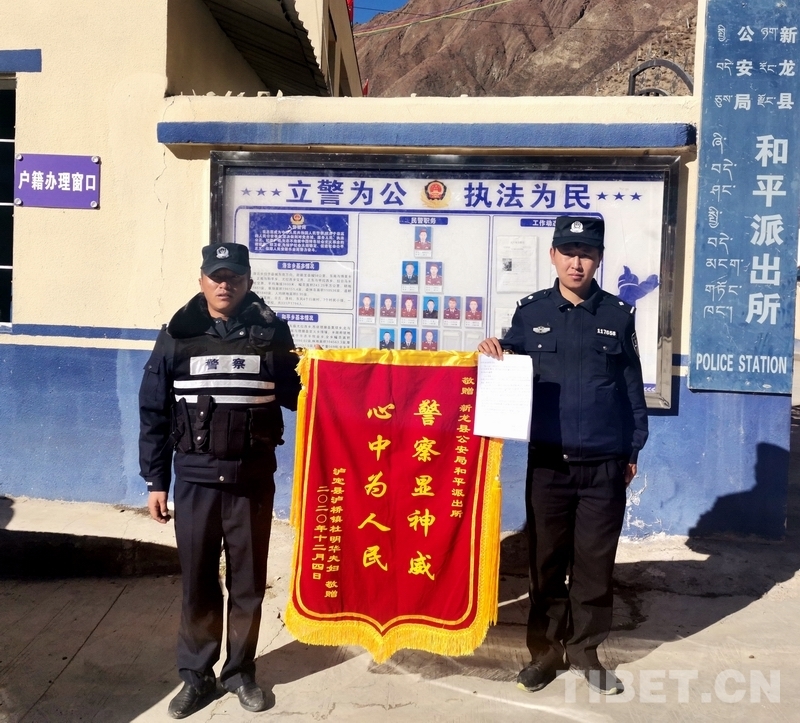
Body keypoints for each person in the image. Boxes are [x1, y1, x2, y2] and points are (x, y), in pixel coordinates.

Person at [478, 216, 648, 697]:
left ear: (599, 259)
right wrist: (494, 349)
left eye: (587, 253)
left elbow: (631, 389)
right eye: (569, 252)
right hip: (549, 464)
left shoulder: (617, 314)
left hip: (603, 464)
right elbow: (506, 363)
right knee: (546, 563)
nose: (577, 262)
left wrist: (633, 449)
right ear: (553, 255)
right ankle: (546, 654)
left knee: (595, 564)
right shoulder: (531, 312)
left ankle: (586, 652)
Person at [139, 243, 301, 718]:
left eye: (233, 277)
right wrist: (155, 480)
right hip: (196, 481)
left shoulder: (272, 333)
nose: (224, 284)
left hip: (252, 481)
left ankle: (240, 673)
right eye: (216, 276)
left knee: (248, 585)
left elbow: (301, 392)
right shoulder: (177, 334)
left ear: (248, 282)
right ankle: (196, 676)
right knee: (199, 583)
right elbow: (154, 411)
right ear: (202, 281)